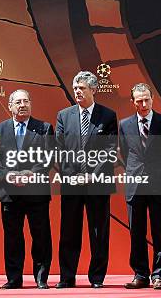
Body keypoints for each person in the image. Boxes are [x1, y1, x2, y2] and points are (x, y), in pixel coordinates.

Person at [55, 71, 118, 289]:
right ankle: (66, 276)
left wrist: (92, 174)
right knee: (69, 231)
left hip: (98, 183)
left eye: (82, 88)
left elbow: (110, 149)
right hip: (71, 183)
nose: (78, 92)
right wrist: (73, 176)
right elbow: (59, 149)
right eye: (75, 88)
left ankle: (97, 277)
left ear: (93, 90)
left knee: (98, 231)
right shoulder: (64, 115)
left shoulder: (108, 116)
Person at [119, 83, 161, 290]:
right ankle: (140, 274)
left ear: (152, 99)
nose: (143, 104)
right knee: (136, 232)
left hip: (159, 185)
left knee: (160, 232)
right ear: (133, 102)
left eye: (147, 99)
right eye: (139, 100)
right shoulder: (125, 125)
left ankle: (159, 276)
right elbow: (126, 154)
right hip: (135, 186)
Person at [0, 89, 53, 289]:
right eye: (18, 102)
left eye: (26, 101)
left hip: (37, 193)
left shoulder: (43, 128)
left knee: (41, 236)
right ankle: (14, 279)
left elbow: (49, 156)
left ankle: (41, 278)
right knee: (13, 238)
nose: (23, 104)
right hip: (10, 193)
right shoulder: (0, 129)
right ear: (10, 106)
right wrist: (8, 175)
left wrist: (29, 174)